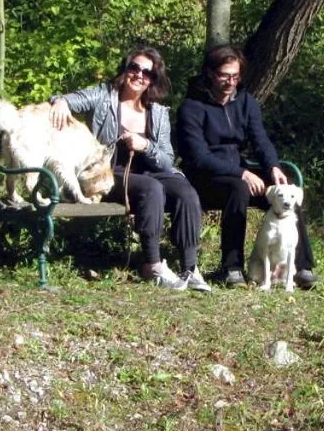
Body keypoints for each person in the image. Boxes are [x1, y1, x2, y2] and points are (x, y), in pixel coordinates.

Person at [50, 46, 211, 291]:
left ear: (153, 80)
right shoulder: (105, 96)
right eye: (134, 68)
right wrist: (60, 101)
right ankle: (152, 264)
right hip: (107, 174)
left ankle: (190, 268)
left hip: (150, 171)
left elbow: (167, 159)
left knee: (186, 192)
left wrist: (145, 145)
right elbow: (73, 99)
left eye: (147, 73)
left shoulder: (158, 112)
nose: (139, 75)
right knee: (152, 188)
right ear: (125, 70)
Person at [175, 45, 317, 289]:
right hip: (203, 177)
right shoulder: (191, 107)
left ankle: (301, 266)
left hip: (240, 169)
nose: (230, 82)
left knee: (286, 188)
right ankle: (231, 267)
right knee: (239, 188)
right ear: (210, 73)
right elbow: (198, 157)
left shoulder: (245, 101)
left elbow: (260, 140)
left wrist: (272, 167)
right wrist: (241, 172)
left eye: (235, 76)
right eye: (224, 75)